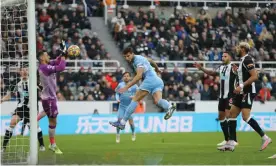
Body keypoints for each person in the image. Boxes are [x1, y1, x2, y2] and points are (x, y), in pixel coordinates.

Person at [217, 42, 272, 152]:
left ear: (243, 49)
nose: (236, 49)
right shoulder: (243, 60)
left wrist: (241, 85)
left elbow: (255, 76)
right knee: (232, 113)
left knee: (245, 116)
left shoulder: (247, 60)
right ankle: (231, 143)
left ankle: (265, 138)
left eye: (238, 47)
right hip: (241, 92)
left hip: (247, 91)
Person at [109, 47, 176, 130]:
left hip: (150, 80)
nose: (127, 58)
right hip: (157, 80)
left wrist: (126, 86)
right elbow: (151, 61)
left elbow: (139, 76)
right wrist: (157, 69)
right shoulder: (141, 58)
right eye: (125, 57)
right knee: (158, 100)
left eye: (128, 56)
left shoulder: (137, 60)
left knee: (135, 99)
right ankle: (169, 106)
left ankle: (122, 123)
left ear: (132, 54)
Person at [194, 52, 238, 146]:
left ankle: (233, 139)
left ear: (229, 57)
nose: (223, 58)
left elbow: (241, 76)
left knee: (228, 115)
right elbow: (212, 73)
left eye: (225, 56)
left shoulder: (233, 67)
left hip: (230, 95)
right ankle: (227, 139)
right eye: (222, 56)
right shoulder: (221, 67)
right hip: (222, 96)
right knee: (221, 117)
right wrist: (201, 68)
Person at [1, 67, 45, 152]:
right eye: (22, 70)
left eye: (26, 69)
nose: (24, 71)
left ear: (28, 71)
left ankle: (42, 145)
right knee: (13, 122)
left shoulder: (34, 81)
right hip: (21, 107)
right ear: (19, 72)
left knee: (35, 126)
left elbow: (44, 91)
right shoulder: (17, 82)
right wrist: (2, 99)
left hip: (32, 108)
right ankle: (3, 147)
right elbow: (10, 95)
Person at [38, 40, 67, 154]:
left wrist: (62, 53)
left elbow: (58, 61)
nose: (48, 55)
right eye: (46, 54)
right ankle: (52, 144)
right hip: (49, 99)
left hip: (50, 98)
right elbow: (61, 67)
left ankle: (52, 143)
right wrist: (63, 56)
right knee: (53, 120)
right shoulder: (44, 67)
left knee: (52, 119)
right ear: (42, 58)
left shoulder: (48, 64)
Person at [113, 72, 138, 143]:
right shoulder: (120, 85)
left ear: (130, 77)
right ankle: (117, 135)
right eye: (124, 76)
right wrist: (117, 98)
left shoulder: (133, 85)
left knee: (131, 123)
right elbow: (117, 93)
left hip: (130, 107)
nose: (126, 77)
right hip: (122, 107)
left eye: (127, 76)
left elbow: (139, 93)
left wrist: (134, 96)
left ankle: (133, 133)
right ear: (123, 78)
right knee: (119, 121)